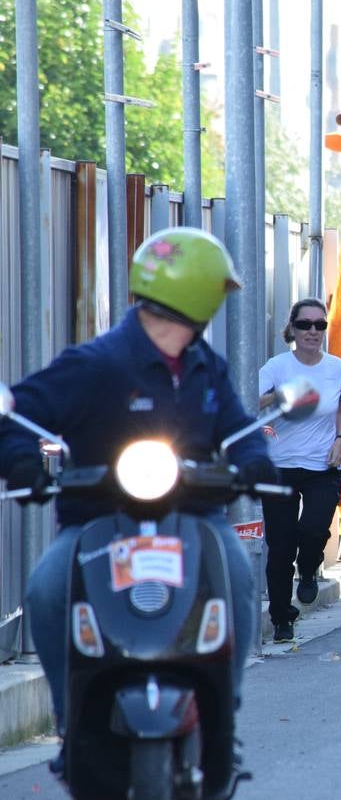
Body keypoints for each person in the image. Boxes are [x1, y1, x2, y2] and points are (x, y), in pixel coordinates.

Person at [0, 227, 274, 754]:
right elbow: (18, 414)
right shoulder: (94, 364)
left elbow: (238, 431)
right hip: (98, 520)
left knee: (239, 578)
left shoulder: (204, 365)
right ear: (195, 291)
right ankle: (71, 720)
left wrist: (257, 463)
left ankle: (223, 716)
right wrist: (18, 460)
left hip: (195, 517)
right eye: (216, 292)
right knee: (45, 590)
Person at [258, 298, 341, 640]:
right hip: (280, 465)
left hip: (322, 465)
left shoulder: (338, 367)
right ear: (292, 329)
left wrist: (340, 441)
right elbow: (250, 400)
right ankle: (283, 618)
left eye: (320, 325)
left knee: (313, 529)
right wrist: (279, 396)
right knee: (280, 547)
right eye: (305, 325)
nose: (313, 331)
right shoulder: (276, 366)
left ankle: (310, 568)